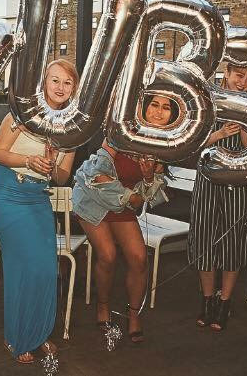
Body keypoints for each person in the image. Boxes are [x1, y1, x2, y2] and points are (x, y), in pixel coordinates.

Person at [0, 59, 78, 364]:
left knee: (46, 269)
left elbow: (63, 177)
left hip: (37, 196)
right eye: (55, 80)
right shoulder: (24, 114)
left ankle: (40, 333)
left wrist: (50, 164)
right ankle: (18, 335)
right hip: (6, 193)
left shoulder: (72, 129)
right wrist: (28, 161)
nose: (61, 87)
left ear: (74, 88)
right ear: (44, 83)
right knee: (21, 266)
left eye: (67, 82)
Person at [72, 95, 175, 344]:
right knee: (107, 254)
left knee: (139, 258)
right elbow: (97, 174)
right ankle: (103, 305)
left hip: (122, 203)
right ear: (143, 108)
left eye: (166, 107)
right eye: (154, 105)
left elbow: (150, 195)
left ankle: (133, 314)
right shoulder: (121, 132)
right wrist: (132, 196)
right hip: (93, 199)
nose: (159, 112)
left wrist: (149, 177)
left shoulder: (164, 147)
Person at [190, 62, 247, 331]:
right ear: (227, 73)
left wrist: (244, 123)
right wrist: (219, 133)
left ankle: (225, 302)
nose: (243, 82)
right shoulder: (207, 102)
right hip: (208, 181)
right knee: (206, 241)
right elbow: (192, 143)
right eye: (239, 75)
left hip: (239, 184)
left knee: (233, 243)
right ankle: (207, 301)